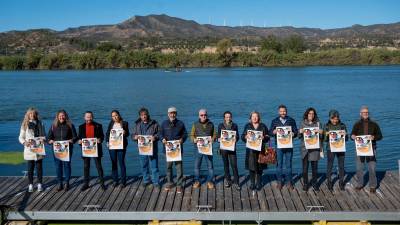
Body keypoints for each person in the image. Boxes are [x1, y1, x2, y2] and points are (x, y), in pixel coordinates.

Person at [351, 106, 383, 193]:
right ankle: (360, 184)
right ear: (360, 114)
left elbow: (380, 136)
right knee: (359, 168)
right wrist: (352, 136)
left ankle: (373, 186)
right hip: (360, 149)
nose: (365, 114)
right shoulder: (356, 124)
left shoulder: (374, 124)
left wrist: (374, 137)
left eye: (366, 112)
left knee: (372, 168)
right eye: (363, 112)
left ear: (368, 113)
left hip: (372, 148)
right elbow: (352, 135)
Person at [47, 109, 78, 191]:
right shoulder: (53, 126)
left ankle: (67, 182)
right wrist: (50, 141)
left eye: (63, 115)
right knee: (58, 166)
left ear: (66, 116)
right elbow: (48, 138)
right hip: (56, 149)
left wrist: (72, 140)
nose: (61, 117)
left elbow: (75, 137)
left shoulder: (70, 125)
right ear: (57, 117)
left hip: (67, 149)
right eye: (60, 116)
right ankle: (60, 183)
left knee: (67, 165)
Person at [269, 105, 298, 190]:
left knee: (289, 165)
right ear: (278, 112)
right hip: (279, 146)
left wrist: (294, 134)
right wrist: (273, 132)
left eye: (284, 111)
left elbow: (296, 131)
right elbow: (270, 132)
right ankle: (279, 182)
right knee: (279, 165)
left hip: (289, 146)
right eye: (281, 111)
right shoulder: (274, 121)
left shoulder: (291, 120)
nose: (283, 113)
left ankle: (289, 182)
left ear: (286, 111)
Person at [159, 107, 188, 193]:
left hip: (178, 150)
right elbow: (160, 134)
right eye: (171, 113)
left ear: (176, 114)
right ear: (168, 114)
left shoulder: (180, 123)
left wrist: (182, 139)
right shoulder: (164, 123)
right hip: (167, 150)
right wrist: (162, 139)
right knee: (169, 167)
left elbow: (185, 134)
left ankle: (179, 185)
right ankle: (170, 182)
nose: (172, 114)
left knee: (179, 167)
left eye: (174, 113)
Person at [18, 107, 46, 192]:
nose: (32, 115)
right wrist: (24, 142)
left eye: (34, 114)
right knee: (30, 168)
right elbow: (20, 137)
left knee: (39, 168)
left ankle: (40, 184)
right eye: (30, 114)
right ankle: (30, 184)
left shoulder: (41, 123)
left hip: (39, 149)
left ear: (36, 115)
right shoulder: (24, 124)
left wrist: (43, 139)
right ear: (28, 115)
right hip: (29, 150)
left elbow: (44, 136)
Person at [132, 107, 160, 188]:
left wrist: (155, 137)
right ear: (140, 116)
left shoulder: (154, 123)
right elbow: (132, 135)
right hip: (142, 149)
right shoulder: (137, 125)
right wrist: (135, 137)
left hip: (153, 149)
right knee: (144, 165)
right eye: (142, 115)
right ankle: (146, 180)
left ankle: (156, 182)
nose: (144, 116)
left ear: (148, 115)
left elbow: (160, 133)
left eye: (145, 114)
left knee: (154, 166)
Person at [78, 111, 105, 191]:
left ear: (92, 117)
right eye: (87, 117)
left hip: (96, 150)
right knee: (86, 167)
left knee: (99, 166)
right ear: (84, 118)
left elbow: (102, 136)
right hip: (86, 150)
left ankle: (102, 183)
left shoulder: (98, 125)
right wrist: (79, 142)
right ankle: (86, 184)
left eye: (90, 117)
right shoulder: (81, 127)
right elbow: (80, 137)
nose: (89, 118)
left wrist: (100, 139)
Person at [241, 111, 269, 191]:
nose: (255, 118)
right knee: (251, 167)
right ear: (250, 118)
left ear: (259, 117)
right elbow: (242, 137)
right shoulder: (247, 126)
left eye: (256, 116)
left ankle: (259, 183)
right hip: (250, 151)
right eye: (253, 116)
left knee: (260, 168)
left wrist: (265, 137)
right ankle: (252, 183)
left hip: (261, 150)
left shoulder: (263, 126)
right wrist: (245, 137)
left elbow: (268, 137)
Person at [190, 109, 217, 189]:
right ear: (199, 116)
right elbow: (191, 135)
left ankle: (210, 181)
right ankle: (197, 181)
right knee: (197, 166)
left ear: (207, 115)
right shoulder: (195, 124)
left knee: (210, 166)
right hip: (198, 149)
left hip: (208, 149)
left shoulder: (211, 124)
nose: (203, 116)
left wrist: (213, 138)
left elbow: (215, 134)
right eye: (201, 115)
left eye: (205, 115)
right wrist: (193, 140)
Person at [298, 107, 323, 191]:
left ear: (314, 115)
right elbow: (299, 136)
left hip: (315, 149)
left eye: (312, 114)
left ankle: (315, 183)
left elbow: (322, 137)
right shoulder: (302, 123)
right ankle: (305, 183)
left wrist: (321, 133)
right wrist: (300, 132)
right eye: (309, 113)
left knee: (314, 169)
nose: (311, 115)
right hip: (305, 149)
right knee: (305, 169)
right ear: (307, 114)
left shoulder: (318, 124)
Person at [323, 109, 348, 191]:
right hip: (330, 148)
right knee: (329, 166)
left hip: (341, 148)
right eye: (333, 118)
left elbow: (346, 139)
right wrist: (326, 135)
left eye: (336, 119)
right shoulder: (326, 126)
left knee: (341, 166)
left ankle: (341, 182)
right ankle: (329, 182)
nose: (335, 120)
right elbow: (325, 140)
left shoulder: (342, 125)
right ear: (330, 118)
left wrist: (345, 134)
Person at [106, 110, 130, 188]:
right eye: (113, 116)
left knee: (121, 163)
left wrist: (125, 132)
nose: (115, 117)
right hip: (112, 146)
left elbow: (128, 134)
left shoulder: (124, 123)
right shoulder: (111, 123)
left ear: (119, 115)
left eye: (116, 115)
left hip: (121, 146)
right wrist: (107, 142)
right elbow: (107, 133)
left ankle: (123, 182)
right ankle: (115, 180)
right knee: (114, 163)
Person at [217, 111, 240, 190]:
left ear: (231, 117)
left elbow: (238, 137)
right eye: (227, 117)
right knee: (226, 165)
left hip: (232, 149)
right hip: (223, 149)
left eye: (229, 117)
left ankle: (237, 182)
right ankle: (228, 180)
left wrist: (235, 139)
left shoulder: (235, 125)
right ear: (224, 118)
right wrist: (218, 139)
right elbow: (218, 136)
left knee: (234, 165)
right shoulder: (220, 125)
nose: (228, 118)